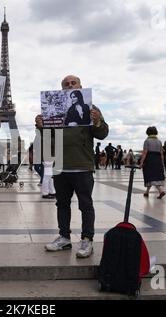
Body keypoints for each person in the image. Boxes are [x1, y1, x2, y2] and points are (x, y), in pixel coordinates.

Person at [36, 74, 109, 258]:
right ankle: (64, 237)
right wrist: (41, 127)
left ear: (80, 86)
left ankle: (87, 239)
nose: (70, 86)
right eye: (66, 84)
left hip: (82, 164)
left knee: (85, 204)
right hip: (61, 164)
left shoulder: (92, 108)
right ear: (62, 90)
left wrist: (98, 120)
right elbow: (49, 139)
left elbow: (102, 134)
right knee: (62, 204)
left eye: (73, 83)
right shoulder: (55, 110)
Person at [139, 126, 166, 199]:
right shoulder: (159, 141)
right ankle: (147, 192)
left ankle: (161, 191)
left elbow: (145, 152)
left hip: (149, 159)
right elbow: (161, 153)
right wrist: (162, 163)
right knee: (155, 176)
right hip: (158, 160)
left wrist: (141, 162)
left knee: (150, 176)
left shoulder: (147, 141)